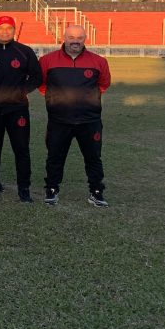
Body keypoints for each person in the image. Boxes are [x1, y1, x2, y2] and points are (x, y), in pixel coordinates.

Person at [39, 24, 112, 206]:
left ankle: (96, 192)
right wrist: (56, 100)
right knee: (55, 157)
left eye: (79, 38)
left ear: (85, 38)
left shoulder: (99, 61)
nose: (75, 41)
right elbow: (42, 84)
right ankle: (52, 189)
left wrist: (86, 100)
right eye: (71, 37)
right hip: (59, 120)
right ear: (64, 38)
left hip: (90, 121)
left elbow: (103, 84)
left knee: (93, 158)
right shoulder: (47, 60)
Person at [0, 15, 42, 202]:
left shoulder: (24, 51)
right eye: (1, 28)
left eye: (9, 28)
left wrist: (23, 91)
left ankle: (24, 188)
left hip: (17, 109)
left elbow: (37, 76)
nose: (5, 32)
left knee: (21, 148)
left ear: (14, 30)